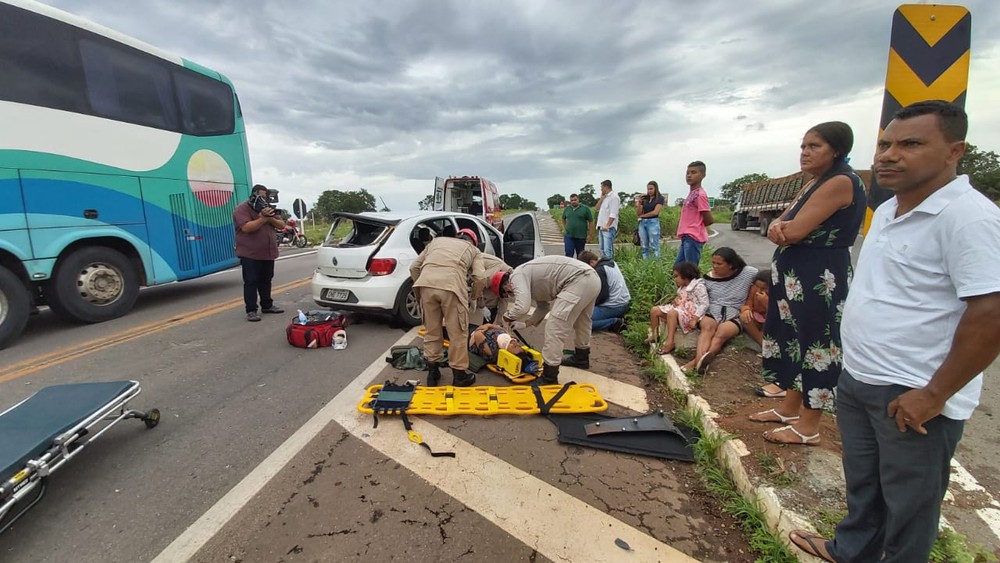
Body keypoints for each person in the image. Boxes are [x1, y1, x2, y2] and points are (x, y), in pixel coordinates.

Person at [788, 101, 1000, 563]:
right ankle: (851, 550)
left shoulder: (969, 217)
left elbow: (990, 314)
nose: (889, 155)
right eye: (884, 144)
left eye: (910, 144)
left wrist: (934, 393)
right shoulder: (888, 211)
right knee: (865, 484)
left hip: (914, 391)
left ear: (953, 151)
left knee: (909, 505)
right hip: (861, 376)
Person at [747, 121, 865, 449]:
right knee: (794, 342)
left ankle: (809, 426)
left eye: (815, 146)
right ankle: (788, 409)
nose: (805, 153)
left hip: (818, 279)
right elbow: (780, 223)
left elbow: (793, 230)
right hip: (797, 277)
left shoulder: (841, 182)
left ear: (837, 150)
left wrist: (786, 229)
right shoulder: (814, 183)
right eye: (803, 146)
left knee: (816, 347)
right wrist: (783, 228)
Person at [496, 256, 601, 384]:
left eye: (507, 293)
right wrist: (524, 324)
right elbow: (543, 306)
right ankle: (581, 357)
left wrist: (507, 317)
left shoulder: (516, 276)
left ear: (506, 285)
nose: (510, 296)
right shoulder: (530, 279)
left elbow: (522, 306)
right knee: (582, 321)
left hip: (577, 279)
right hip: (591, 278)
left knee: (555, 327)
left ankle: (549, 376)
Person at [409, 227, 486, 387]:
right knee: (457, 333)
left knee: (432, 331)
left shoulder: (435, 242)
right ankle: (459, 376)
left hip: (426, 285)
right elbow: (479, 277)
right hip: (452, 288)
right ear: (473, 241)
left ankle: (432, 373)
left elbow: (414, 268)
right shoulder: (474, 250)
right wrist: (473, 298)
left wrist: (420, 292)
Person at [683, 248, 757, 372]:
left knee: (722, 333)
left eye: (719, 264)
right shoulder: (708, 278)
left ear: (731, 265)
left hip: (734, 312)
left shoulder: (748, 273)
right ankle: (700, 360)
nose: (715, 266)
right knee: (707, 328)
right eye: (713, 263)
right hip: (712, 310)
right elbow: (698, 296)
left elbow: (763, 282)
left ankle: (696, 362)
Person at [696, 268, 772, 374]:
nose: (759, 290)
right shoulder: (754, 289)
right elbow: (748, 302)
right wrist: (746, 310)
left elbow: (777, 313)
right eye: (757, 286)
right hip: (755, 316)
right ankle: (762, 343)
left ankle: (766, 346)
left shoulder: (777, 294)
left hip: (769, 317)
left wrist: (765, 302)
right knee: (744, 319)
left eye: (764, 288)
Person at [233, 184, 285, 322]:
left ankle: (267, 305)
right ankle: (251, 310)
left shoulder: (268, 207)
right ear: (254, 195)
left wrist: (270, 217)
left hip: (267, 252)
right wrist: (262, 218)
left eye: (265, 196)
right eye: (260, 196)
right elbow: (246, 228)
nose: (263, 199)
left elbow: (281, 225)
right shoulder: (242, 209)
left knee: (266, 280)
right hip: (250, 253)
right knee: (251, 281)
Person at [645, 262, 709, 355]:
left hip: (691, 313)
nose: (675, 279)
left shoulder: (698, 286)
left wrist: (695, 318)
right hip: (680, 310)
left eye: (676, 276)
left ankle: (670, 342)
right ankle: (655, 335)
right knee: (655, 310)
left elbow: (704, 303)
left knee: (672, 313)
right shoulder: (683, 287)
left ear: (685, 275)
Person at [578, 250, 630, 332]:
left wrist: (588, 305)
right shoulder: (610, 262)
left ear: (591, 262)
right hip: (622, 302)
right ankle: (614, 318)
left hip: (613, 306)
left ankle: (614, 323)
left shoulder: (600, 271)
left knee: (581, 321)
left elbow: (603, 296)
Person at [675, 161, 714, 266]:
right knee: (679, 269)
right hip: (686, 237)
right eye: (687, 173)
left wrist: (695, 226)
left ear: (702, 175)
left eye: (693, 172)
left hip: (693, 237)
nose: (689, 175)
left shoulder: (700, 195)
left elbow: (709, 219)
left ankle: (696, 283)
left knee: (690, 271)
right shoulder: (693, 193)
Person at [634, 181, 665, 260]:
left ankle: (655, 263)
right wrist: (639, 203)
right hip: (643, 223)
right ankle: (646, 262)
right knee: (644, 245)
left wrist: (642, 216)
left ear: (655, 189)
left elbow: (655, 212)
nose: (649, 191)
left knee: (653, 245)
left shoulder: (660, 198)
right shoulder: (646, 198)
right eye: (648, 189)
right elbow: (638, 213)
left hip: (652, 222)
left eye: (651, 189)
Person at [479, 253, 513, 322]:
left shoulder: (511, 278)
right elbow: (476, 287)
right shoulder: (487, 278)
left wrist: (501, 323)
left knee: (492, 305)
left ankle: (488, 327)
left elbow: (504, 300)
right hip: (472, 271)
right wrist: (482, 306)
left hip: (494, 278)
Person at [561, 193, 594, 258]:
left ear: (578, 200)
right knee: (568, 253)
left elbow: (591, 221)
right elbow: (563, 218)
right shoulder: (567, 209)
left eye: (575, 200)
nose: (573, 202)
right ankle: (568, 267)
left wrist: (590, 234)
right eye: (572, 200)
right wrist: (565, 228)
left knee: (580, 255)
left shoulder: (585, 209)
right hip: (569, 235)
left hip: (581, 236)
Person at [594, 179, 620, 259]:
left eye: (602, 187)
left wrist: (607, 225)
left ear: (606, 187)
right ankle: (604, 267)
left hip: (608, 228)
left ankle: (610, 268)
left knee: (607, 250)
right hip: (601, 227)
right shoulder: (605, 198)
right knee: (602, 250)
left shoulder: (614, 198)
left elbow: (613, 213)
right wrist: (601, 199)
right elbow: (596, 208)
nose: (601, 189)